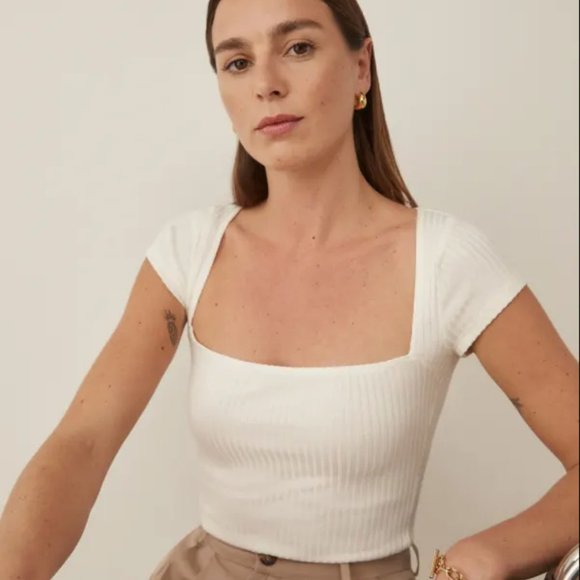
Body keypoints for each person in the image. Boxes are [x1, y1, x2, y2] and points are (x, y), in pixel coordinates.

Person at [1, 1, 578, 579]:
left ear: (361, 68)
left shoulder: (447, 261)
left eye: (297, 48)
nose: (267, 85)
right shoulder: (189, 250)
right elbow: (82, 444)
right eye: (238, 62)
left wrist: (487, 555)